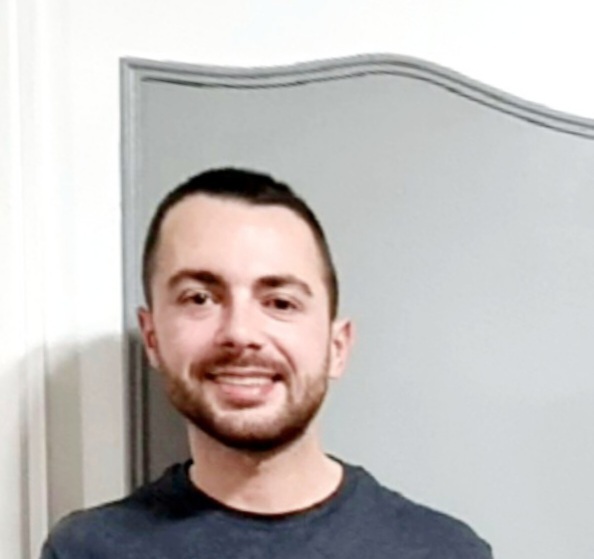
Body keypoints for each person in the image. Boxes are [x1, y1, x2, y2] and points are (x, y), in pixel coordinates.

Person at [41, 168, 492, 558]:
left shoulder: (447, 551)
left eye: (280, 302)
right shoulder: (86, 550)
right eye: (200, 298)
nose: (241, 333)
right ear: (153, 337)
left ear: (337, 347)